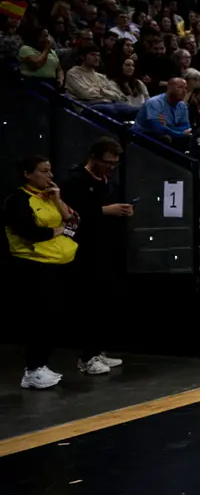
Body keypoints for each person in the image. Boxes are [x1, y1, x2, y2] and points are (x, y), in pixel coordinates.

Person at [4, 156, 95, 388]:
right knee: (41, 318)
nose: (50, 176)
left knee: (55, 316)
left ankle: (41, 365)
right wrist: (58, 230)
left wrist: (58, 200)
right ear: (28, 174)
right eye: (44, 171)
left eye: (50, 171)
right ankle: (33, 369)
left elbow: (74, 223)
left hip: (60, 263)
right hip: (34, 265)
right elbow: (28, 232)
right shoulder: (17, 200)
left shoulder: (49, 197)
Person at [59, 137, 132, 373]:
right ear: (93, 158)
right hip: (84, 250)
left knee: (105, 302)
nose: (110, 167)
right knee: (89, 304)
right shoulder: (74, 180)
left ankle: (97, 351)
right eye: (107, 162)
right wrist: (104, 211)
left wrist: (121, 211)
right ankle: (87, 357)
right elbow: (70, 215)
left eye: (114, 164)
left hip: (107, 247)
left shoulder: (108, 181)